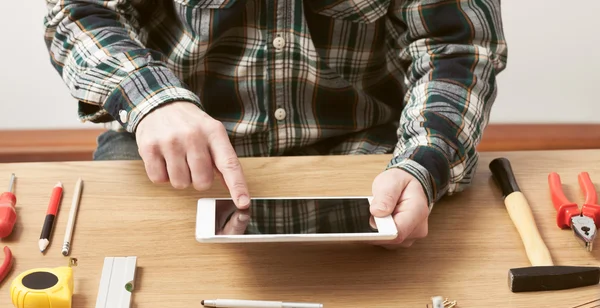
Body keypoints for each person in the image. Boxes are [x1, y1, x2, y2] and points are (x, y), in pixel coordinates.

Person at [43, 0, 507, 248]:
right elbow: (76, 10)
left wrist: (425, 160)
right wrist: (152, 98)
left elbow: (458, 47)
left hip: (362, 145)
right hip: (175, 139)